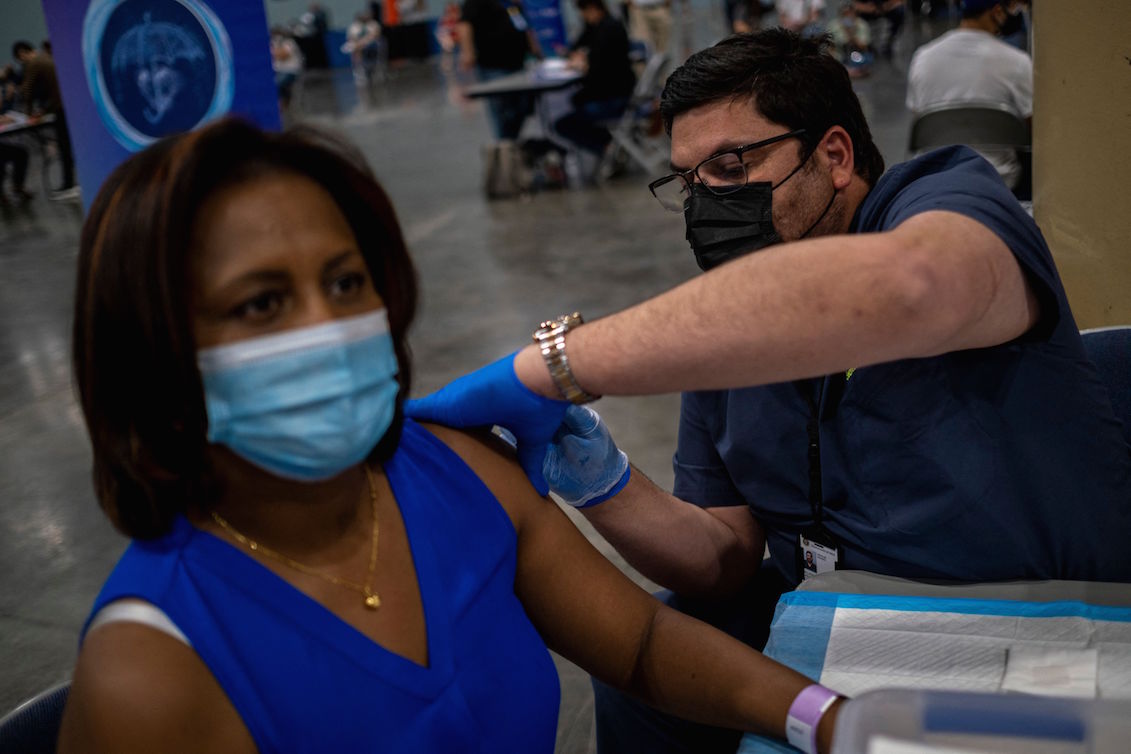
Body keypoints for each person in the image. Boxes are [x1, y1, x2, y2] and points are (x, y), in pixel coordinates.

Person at [408, 28, 1131, 754]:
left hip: (1033, 630)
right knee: (657, 669)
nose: (705, 201)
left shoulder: (945, 201)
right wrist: (606, 484)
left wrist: (559, 363)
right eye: (687, 181)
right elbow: (721, 558)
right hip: (848, 629)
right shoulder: (731, 327)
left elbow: (915, 287)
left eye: (731, 165)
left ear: (834, 156)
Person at [56, 117, 849, 754]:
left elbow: (638, 644)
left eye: (344, 282)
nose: (330, 329)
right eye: (263, 303)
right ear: (155, 352)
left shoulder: (451, 465)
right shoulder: (154, 673)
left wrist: (827, 718)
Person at [906, 0, 1032, 193]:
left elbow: (919, 121)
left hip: (933, 179)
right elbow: (1034, 131)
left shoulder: (923, 57)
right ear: (997, 11)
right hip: (999, 182)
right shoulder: (1017, 63)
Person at [552, 0, 636, 180]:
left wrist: (582, 66)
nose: (582, 17)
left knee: (564, 123)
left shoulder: (608, 30)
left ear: (592, 8)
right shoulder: (600, 26)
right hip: (618, 93)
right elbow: (579, 45)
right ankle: (612, 146)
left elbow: (599, 71)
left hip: (615, 98)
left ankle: (607, 147)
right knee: (576, 104)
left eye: (583, 12)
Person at [458, 0, 537, 140]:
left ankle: (510, 141)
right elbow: (465, 24)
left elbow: (524, 27)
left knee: (523, 105)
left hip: (518, 64)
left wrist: (537, 52)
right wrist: (467, 52)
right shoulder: (476, 3)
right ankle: (505, 146)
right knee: (501, 110)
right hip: (493, 66)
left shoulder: (512, 4)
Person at [12, 40, 75, 200]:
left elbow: (27, 90)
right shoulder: (45, 59)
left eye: (20, 58)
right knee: (66, 145)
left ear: (23, 54)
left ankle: (69, 184)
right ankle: (70, 183)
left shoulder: (34, 64)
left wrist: (29, 113)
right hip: (64, 104)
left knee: (65, 146)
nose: (22, 63)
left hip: (60, 107)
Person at [827, 0, 873, 77]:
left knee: (867, 59)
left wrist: (851, 34)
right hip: (840, 54)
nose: (848, 16)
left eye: (850, 13)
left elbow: (864, 46)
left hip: (857, 54)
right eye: (845, 14)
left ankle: (855, 70)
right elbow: (829, 46)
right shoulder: (833, 25)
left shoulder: (862, 25)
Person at [343, 10, 385, 86]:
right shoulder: (354, 26)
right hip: (359, 45)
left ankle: (373, 70)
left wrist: (364, 42)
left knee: (366, 48)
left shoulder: (373, 24)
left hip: (371, 45)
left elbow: (375, 34)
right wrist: (357, 43)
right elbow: (351, 37)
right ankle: (360, 71)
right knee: (353, 49)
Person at [270, 28, 304, 112]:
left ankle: (283, 103)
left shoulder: (289, 42)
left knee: (277, 83)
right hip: (277, 70)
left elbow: (283, 56)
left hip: (290, 71)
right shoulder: (273, 43)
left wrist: (275, 52)